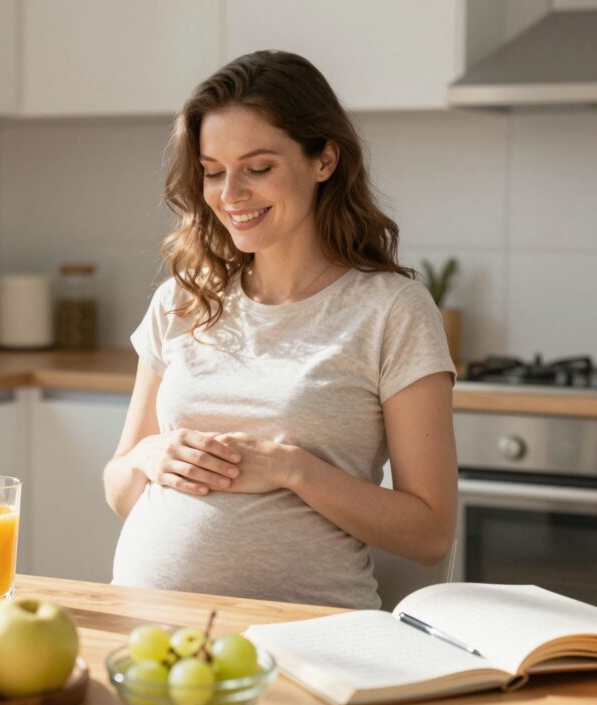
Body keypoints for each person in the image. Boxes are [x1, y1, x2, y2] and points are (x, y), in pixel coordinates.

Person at [103, 51, 457, 609]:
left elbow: (430, 534)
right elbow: (119, 489)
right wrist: (149, 458)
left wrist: (293, 470)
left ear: (324, 160)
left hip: (309, 639)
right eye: (213, 171)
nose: (230, 194)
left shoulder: (392, 311)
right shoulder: (183, 298)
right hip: (147, 629)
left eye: (258, 168)